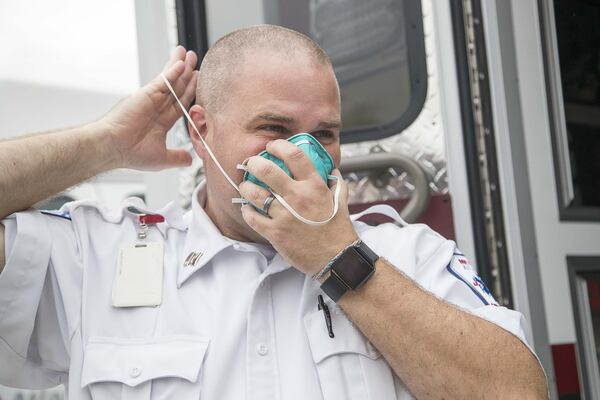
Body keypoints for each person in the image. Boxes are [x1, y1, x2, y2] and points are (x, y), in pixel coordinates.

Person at [0, 25, 547, 399]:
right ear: (200, 130)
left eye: (324, 135)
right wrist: (106, 143)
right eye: (274, 129)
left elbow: (518, 391)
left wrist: (340, 257)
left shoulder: (409, 256)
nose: (302, 155)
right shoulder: (96, 255)